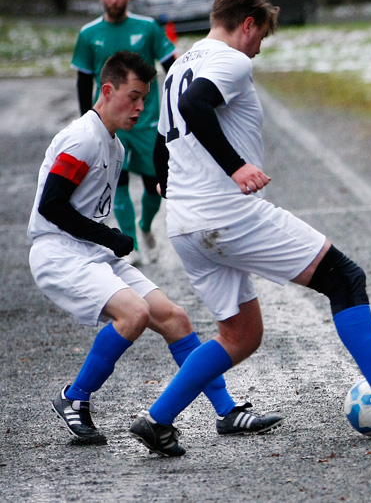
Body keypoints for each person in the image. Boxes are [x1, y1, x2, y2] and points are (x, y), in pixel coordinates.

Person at [130, 0, 371, 457]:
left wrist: (165, 181)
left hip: (184, 223)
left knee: (240, 335)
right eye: (260, 36)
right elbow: (195, 106)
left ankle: (156, 419)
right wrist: (235, 166)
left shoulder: (179, 64)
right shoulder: (231, 61)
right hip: (226, 214)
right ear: (247, 24)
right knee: (345, 277)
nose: (259, 48)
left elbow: (162, 138)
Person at [30, 51, 278, 446]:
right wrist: (109, 237)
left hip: (92, 252)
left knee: (174, 318)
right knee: (135, 313)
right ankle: (74, 398)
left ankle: (227, 411)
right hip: (59, 252)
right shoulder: (81, 139)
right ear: (107, 90)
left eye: (145, 98)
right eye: (133, 97)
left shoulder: (115, 145)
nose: (141, 108)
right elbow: (52, 204)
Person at [72, 0, 176, 266]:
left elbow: (172, 66)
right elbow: (82, 82)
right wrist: (86, 122)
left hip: (148, 122)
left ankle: (145, 226)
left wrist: (174, 106)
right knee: (116, 183)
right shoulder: (88, 34)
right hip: (108, 124)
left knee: (155, 184)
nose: (114, 0)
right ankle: (131, 247)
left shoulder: (148, 28)